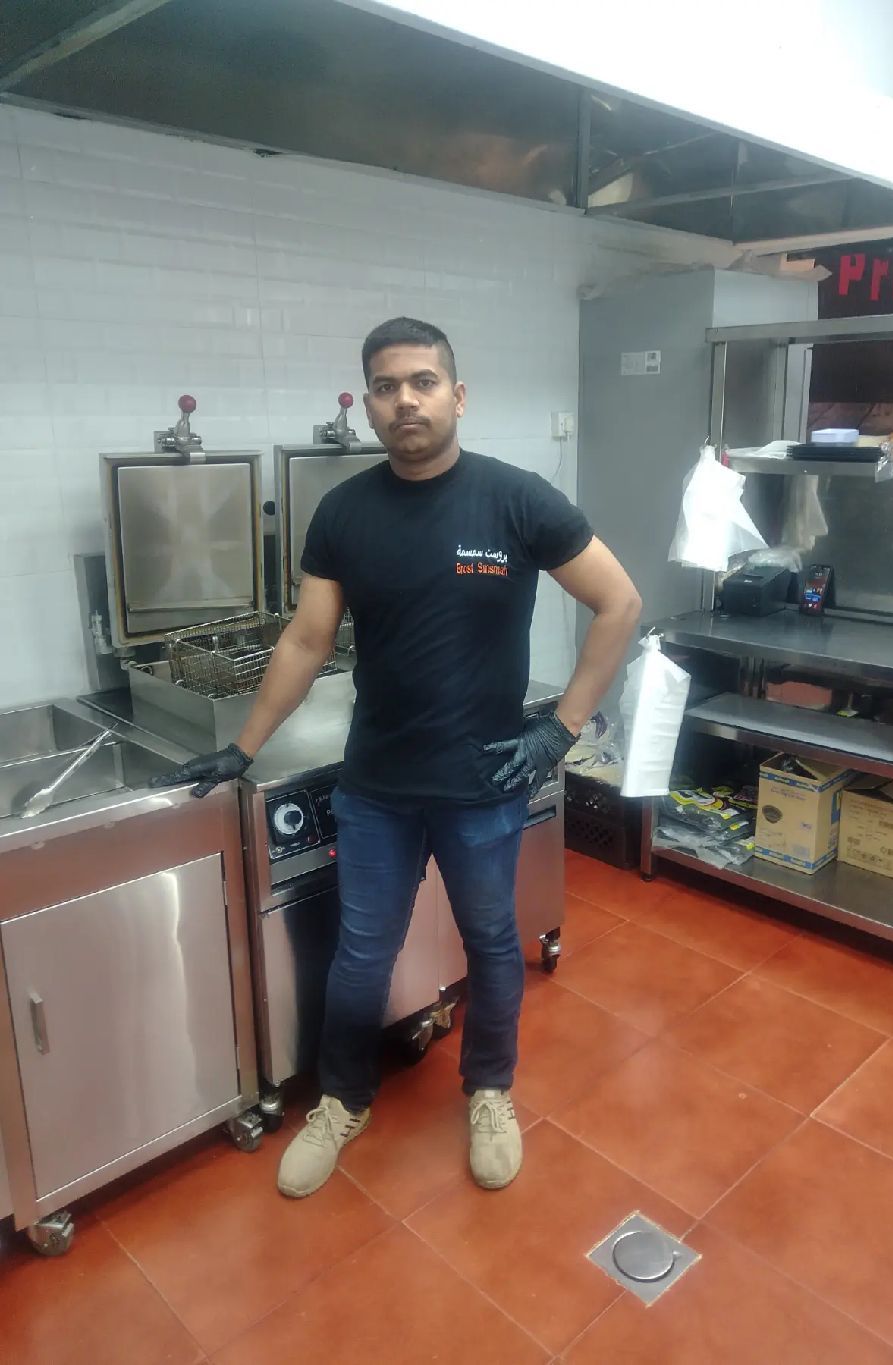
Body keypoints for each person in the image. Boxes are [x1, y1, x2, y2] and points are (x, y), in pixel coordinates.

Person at [152, 317, 641, 1199]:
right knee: (362, 952)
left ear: (458, 395)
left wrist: (561, 730)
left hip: (483, 782)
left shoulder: (516, 500)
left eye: (422, 381)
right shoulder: (344, 512)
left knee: (492, 942)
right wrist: (241, 745)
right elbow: (306, 640)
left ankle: (489, 1089)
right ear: (371, 403)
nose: (404, 400)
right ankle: (342, 1099)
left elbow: (620, 602)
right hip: (376, 784)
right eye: (386, 386)